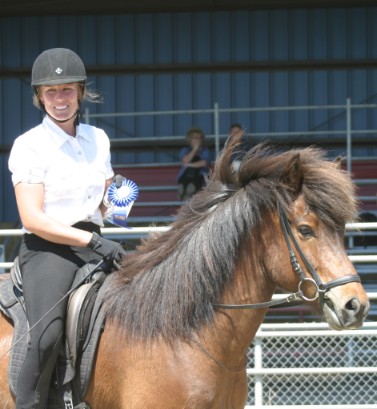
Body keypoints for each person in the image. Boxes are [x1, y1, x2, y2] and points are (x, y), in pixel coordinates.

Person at [8, 48, 127, 409]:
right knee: (46, 336)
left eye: (67, 90)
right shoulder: (30, 145)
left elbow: (106, 201)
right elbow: (32, 217)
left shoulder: (98, 139)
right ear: (40, 98)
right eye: (51, 92)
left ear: (79, 92)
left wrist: (119, 200)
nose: (60, 100)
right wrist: (89, 239)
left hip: (97, 242)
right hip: (49, 249)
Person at [176, 127, 211, 200]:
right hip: (186, 175)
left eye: (200, 138)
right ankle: (183, 196)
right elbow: (185, 160)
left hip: (200, 175)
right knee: (182, 187)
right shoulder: (185, 150)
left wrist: (189, 165)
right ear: (190, 139)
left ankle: (187, 199)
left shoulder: (204, 150)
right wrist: (194, 150)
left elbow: (203, 163)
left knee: (191, 187)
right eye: (195, 138)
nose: (198, 140)